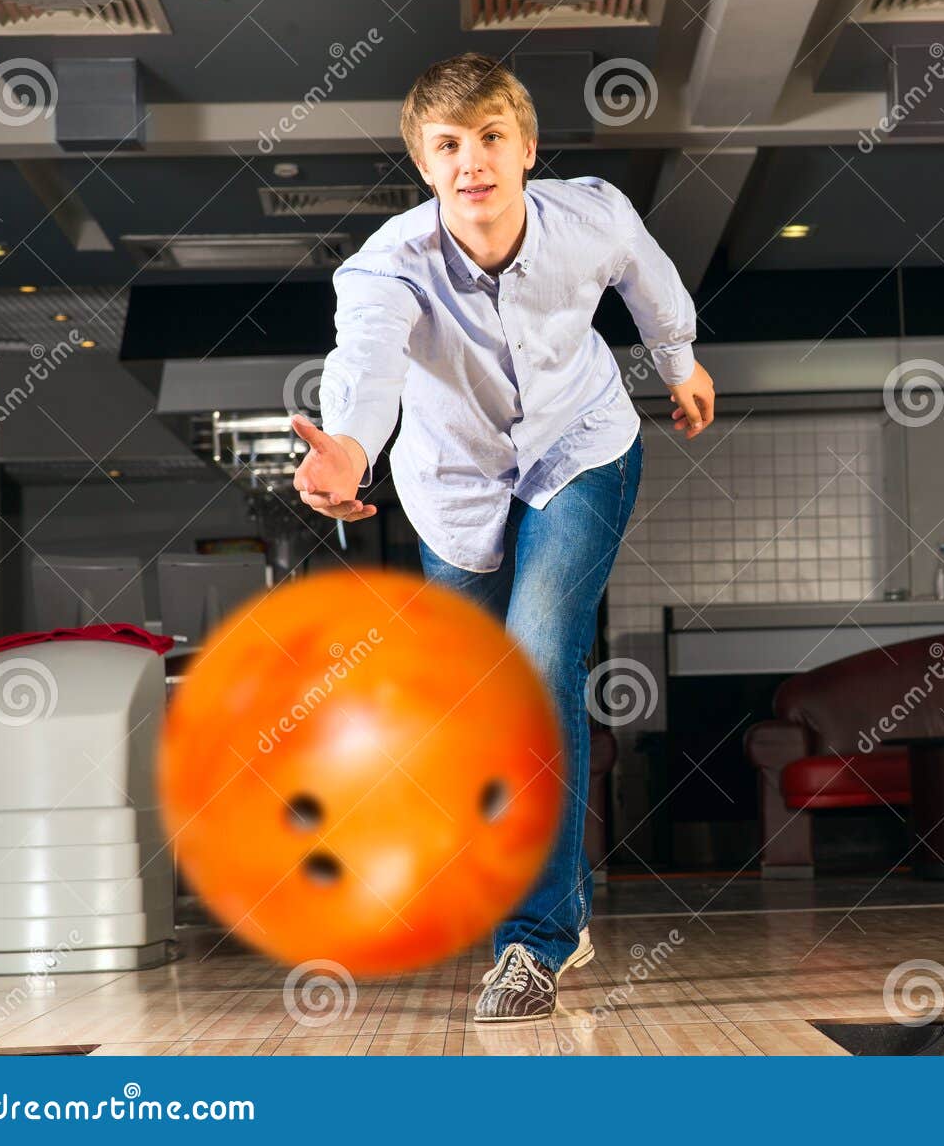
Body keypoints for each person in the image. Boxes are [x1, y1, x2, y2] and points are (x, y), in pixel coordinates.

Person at [290, 51, 715, 1022]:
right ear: (425, 164)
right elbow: (366, 367)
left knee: (534, 670)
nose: (471, 160)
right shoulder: (387, 266)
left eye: (489, 137)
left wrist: (678, 362)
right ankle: (561, 901)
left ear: (526, 147)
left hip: (581, 450)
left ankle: (533, 944)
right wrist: (348, 449)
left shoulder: (590, 216)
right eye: (448, 145)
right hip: (456, 489)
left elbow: (646, 275)